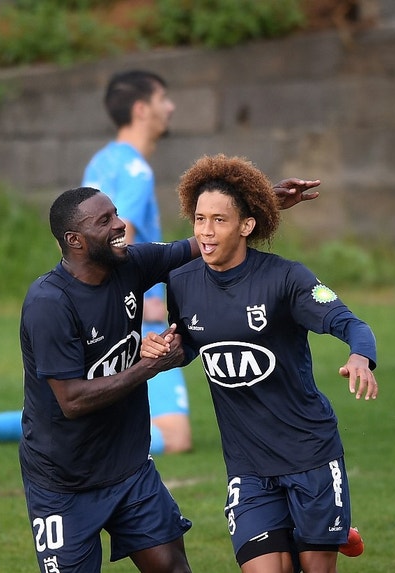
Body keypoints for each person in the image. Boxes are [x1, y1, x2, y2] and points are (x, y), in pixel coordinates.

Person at [19, 179, 319, 572]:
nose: (120, 225)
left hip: (129, 470)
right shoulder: (49, 304)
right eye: (104, 220)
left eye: (116, 214)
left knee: (173, 568)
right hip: (62, 483)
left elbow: (196, 245)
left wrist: (260, 205)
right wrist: (149, 367)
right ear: (75, 240)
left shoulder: (129, 265)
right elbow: (72, 400)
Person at [140, 154, 376, 572]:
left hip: (311, 458)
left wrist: (360, 356)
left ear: (246, 226)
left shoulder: (287, 279)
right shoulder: (181, 282)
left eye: (219, 220)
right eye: (198, 219)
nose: (206, 232)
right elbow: (195, 345)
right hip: (247, 468)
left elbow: (349, 323)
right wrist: (163, 350)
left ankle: (331, 530)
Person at [0, 69, 190, 455]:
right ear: (141, 110)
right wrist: (142, 303)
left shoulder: (100, 163)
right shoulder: (137, 171)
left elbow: (87, 235)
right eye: (163, 100)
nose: (170, 108)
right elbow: (124, 239)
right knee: (174, 436)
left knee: (74, 394)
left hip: (92, 303)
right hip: (138, 311)